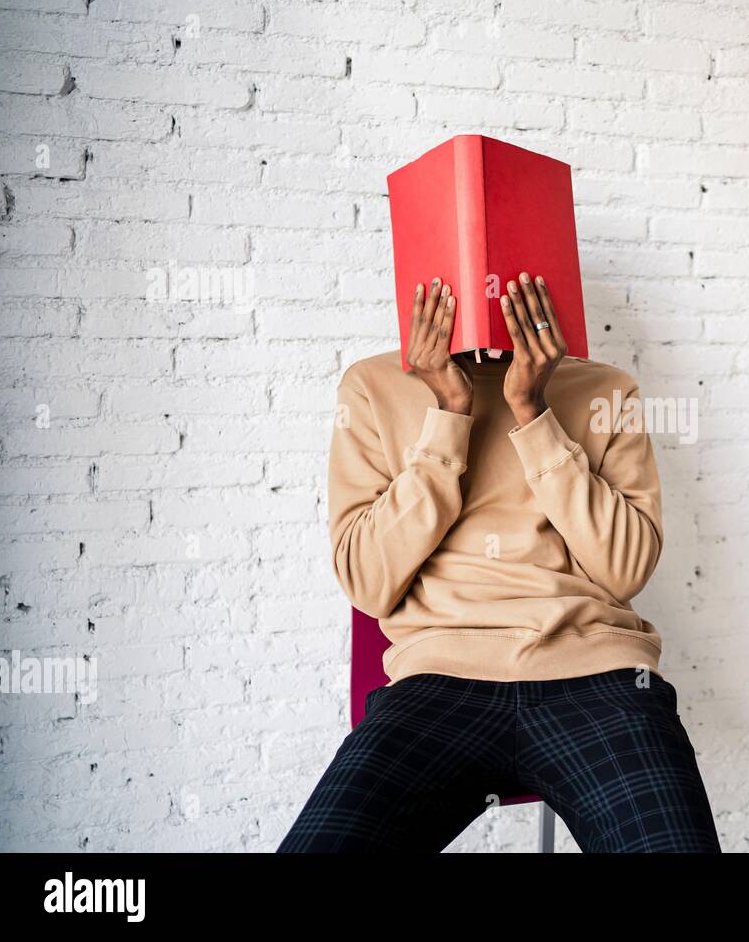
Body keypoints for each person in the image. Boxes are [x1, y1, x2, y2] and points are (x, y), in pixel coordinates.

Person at [278, 272, 721, 852]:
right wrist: (449, 415)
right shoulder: (372, 385)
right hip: (439, 683)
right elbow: (367, 582)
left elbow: (625, 568)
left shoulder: (609, 389)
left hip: (597, 678)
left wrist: (532, 412)